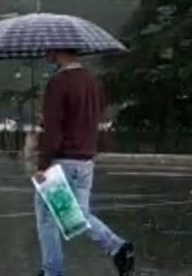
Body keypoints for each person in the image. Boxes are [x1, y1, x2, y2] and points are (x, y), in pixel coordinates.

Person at [34, 50, 134, 276]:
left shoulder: (58, 83)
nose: (46, 53)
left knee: (47, 217)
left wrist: (42, 164)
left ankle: (52, 270)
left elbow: (55, 131)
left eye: (50, 49)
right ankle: (117, 247)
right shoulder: (92, 82)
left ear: (59, 51)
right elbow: (86, 117)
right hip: (85, 160)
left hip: (61, 161)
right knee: (77, 215)